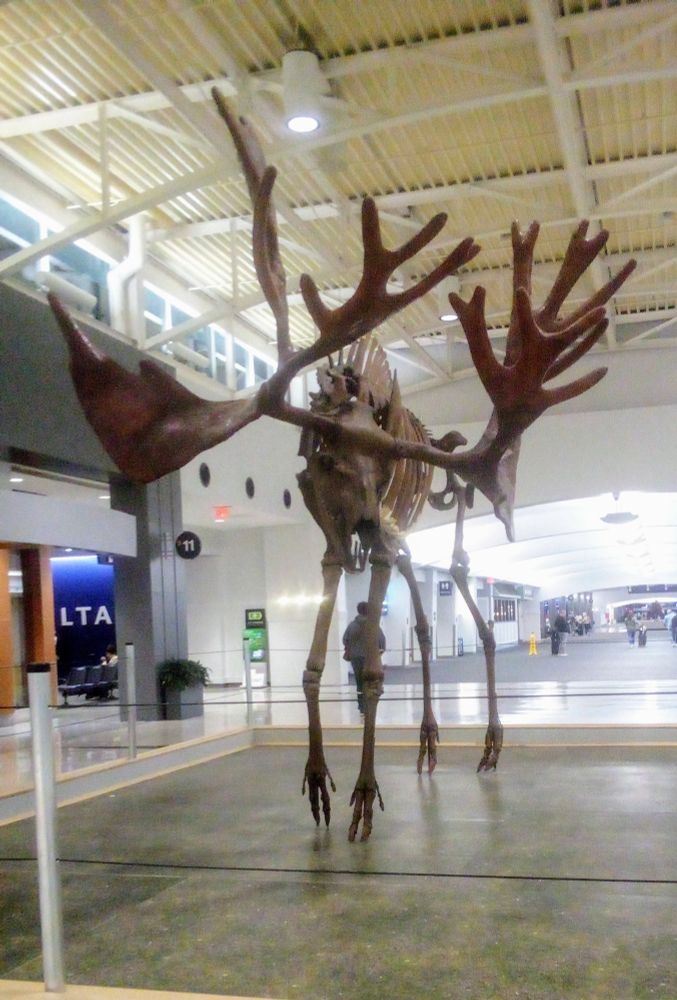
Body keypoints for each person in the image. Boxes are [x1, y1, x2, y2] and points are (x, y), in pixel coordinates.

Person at [343, 601, 385, 713]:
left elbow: (345, 640)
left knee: (359, 682)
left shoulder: (351, 625)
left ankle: (361, 705)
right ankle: (370, 704)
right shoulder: (373, 625)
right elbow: (382, 641)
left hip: (356, 658)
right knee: (371, 681)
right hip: (370, 658)